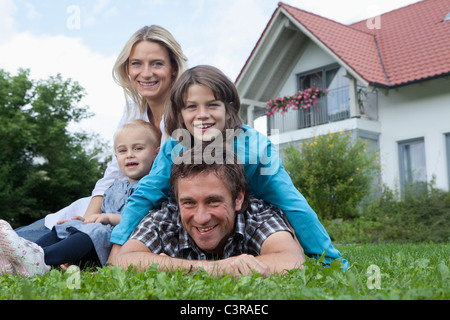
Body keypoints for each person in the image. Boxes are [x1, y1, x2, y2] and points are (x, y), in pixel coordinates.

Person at [109, 65, 348, 270]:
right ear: (180, 112)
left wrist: (329, 260)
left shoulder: (256, 148)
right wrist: (116, 250)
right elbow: (146, 193)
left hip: (247, 217)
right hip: (195, 220)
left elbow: (291, 202)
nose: (202, 115)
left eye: (212, 105)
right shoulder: (175, 145)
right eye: (191, 107)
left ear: (228, 107)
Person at [15, 25, 188, 242]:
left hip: (146, 214)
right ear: (127, 68)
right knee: (20, 235)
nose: (145, 73)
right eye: (136, 64)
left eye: (157, 64)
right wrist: (86, 221)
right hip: (113, 203)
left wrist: (97, 223)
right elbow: (113, 173)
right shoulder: (133, 110)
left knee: (30, 243)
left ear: (173, 67)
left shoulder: (187, 114)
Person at [112, 147, 305, 277]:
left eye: (213, 201)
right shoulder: (165, 216)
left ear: (238, 198)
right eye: (189, 203)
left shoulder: (256, 213)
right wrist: (216, 268)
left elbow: (292, 260)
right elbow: (124, 260)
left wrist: (168, 266)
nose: (201, 217)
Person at [0, 120, 159, 277]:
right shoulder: (116, 186)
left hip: (117, 244)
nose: (130, 154)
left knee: (95, 229)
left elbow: (143, 220)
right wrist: (84, 220)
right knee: (70, 224)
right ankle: (27, 251)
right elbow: (100, 213)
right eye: (123, 151)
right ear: (116, 156)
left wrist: (107, 218)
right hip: (97, 237)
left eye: (138, 148)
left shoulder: (151, 187)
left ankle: (41, 259)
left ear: (156, 153)